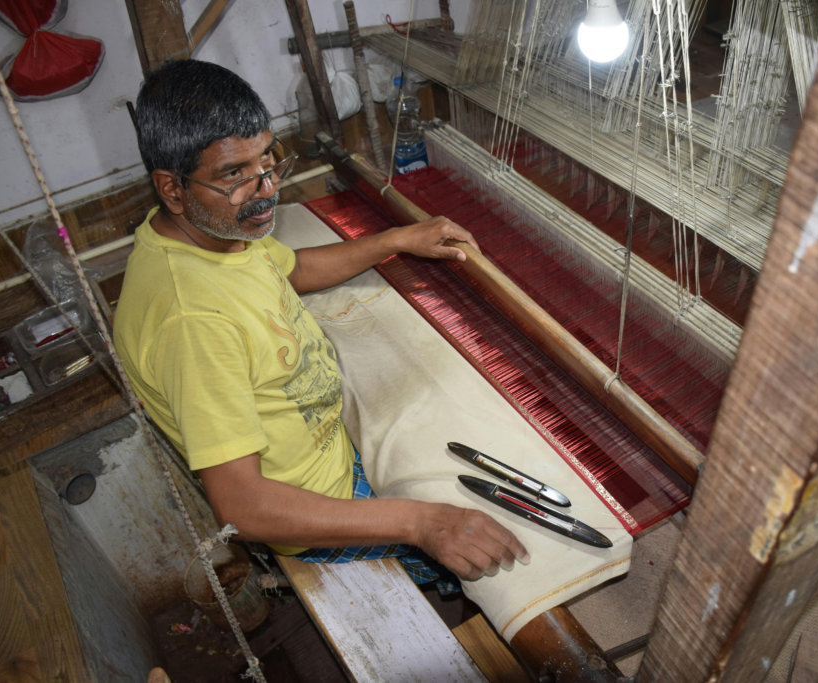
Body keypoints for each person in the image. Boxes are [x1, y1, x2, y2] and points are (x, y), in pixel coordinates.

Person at [114, 60, 528, 587]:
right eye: (233, 175)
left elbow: (293, 270)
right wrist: (420, 521)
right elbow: (244, 508)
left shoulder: (219, 231)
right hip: (316, 508)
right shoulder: (193, 321)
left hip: (335, 444)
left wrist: (397, 240)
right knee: (500, 563)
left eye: (268, 160)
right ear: (172, 189)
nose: (264, 189)